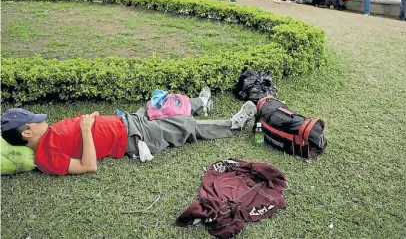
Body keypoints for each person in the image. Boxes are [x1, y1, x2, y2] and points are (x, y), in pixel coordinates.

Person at [0, 93, 257, 176]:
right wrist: (87, 129)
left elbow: (77, 132)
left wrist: (90, 120)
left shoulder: (48, 136)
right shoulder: (46, 157)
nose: (40, 120)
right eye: (35, 120)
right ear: (26, 133)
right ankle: (232, 125)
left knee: (158, 103)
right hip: (133, 138)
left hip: (126, 120)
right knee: (186, 126)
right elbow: (87, 166)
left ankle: (200, 103)